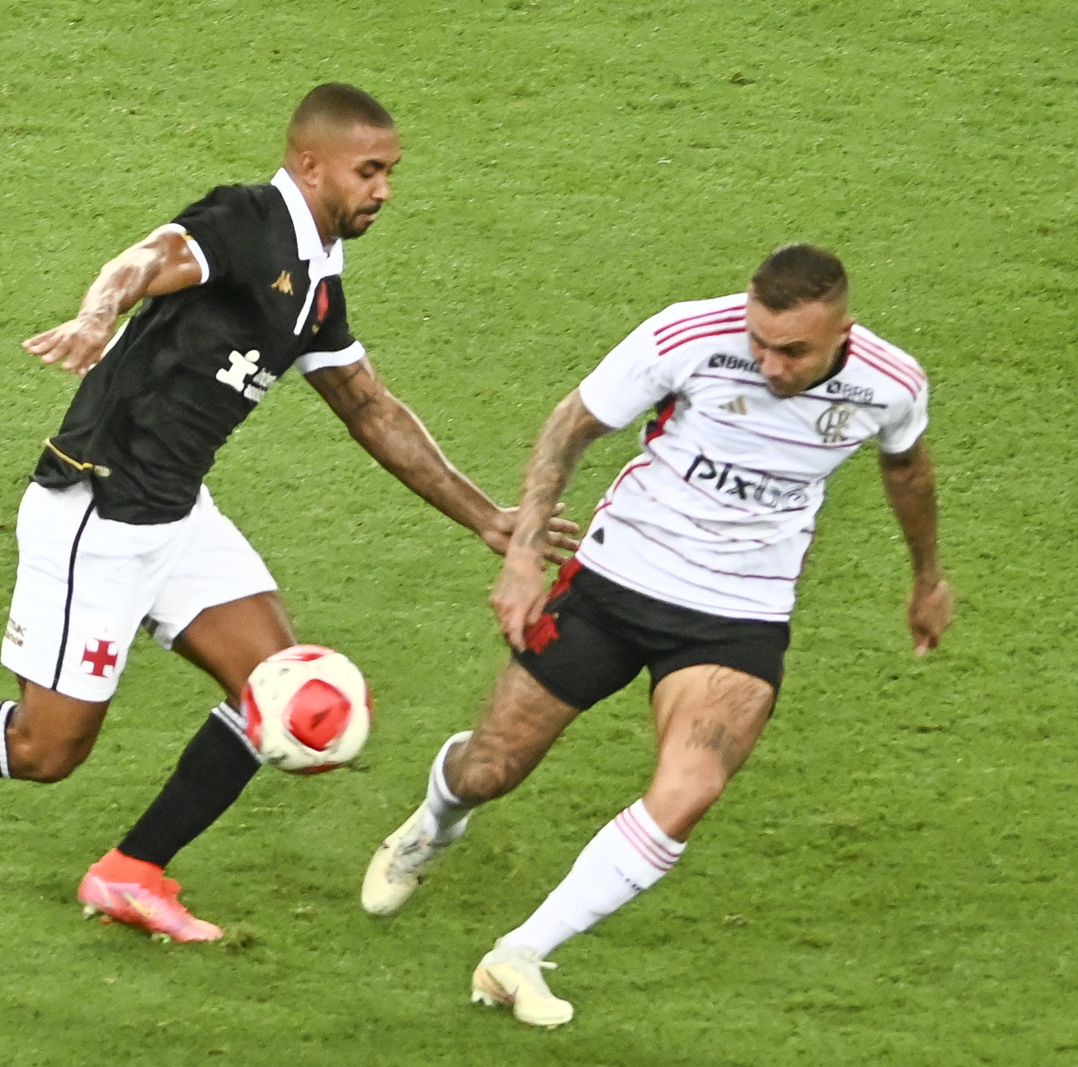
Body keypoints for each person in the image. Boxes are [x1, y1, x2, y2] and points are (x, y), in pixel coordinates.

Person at [0, 83, 575, 942]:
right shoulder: (249, 221)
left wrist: (487, 517)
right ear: (311, 164)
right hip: (100, 511)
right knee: (46, 750)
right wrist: (97, 312)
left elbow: (369, 407)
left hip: (177, 512)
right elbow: (147, 259)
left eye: (389, 172)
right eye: (368, 171)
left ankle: (132, 870)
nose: (384, 190)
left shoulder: (317, 277)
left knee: (280, 692)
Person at [361, 244, 954, 1025]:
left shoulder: (889, 383)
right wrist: (524, 554)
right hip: (616, 581)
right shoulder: (688, 336)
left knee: (691, 786)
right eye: (760, 343)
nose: (771, 365)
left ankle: (520, 952)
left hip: (740, 613)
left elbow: (906, 470)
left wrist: (927, 578)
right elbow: (570, 426)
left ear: (841, 332)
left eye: (793, 352)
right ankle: (437, 820)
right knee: (491, 769)